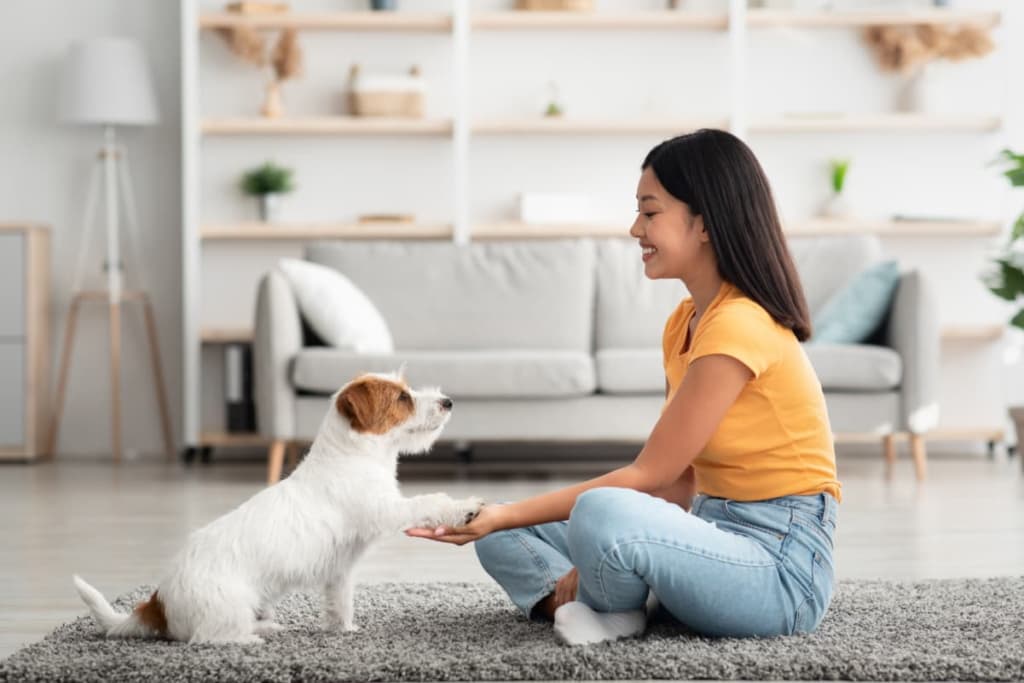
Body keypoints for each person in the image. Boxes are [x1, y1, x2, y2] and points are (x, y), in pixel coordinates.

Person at [406, 128, 841, 646]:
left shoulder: (740, 323)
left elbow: (648, 473)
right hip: (708, 532)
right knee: (505, 536)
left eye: (650, 211)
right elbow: (678, 483)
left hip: (778, 572)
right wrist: (506, 520)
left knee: (597, 510)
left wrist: (583, 532)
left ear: (704, 222)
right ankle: (617, 598)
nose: (636, 228)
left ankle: (613, 609)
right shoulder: (685, 322)